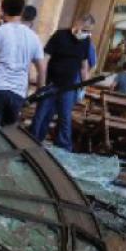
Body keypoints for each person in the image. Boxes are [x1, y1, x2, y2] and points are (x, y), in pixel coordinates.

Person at [0, 0, 46, 125]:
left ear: (3, 9)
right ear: (22, 10)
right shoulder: (33, 37)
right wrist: (38, 92)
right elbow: (42, 69)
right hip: (17, 94)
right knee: (6, 134)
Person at [30, 14, 95, 151]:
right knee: (42, 115)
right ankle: (33, 141)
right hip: (51, 83)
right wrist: (42, 81)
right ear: (77, 23)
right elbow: (45, 58)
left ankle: (63, 148)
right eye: (85, 29)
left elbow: (83, 67)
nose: (86, 33)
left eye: (89, 31)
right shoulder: (60, 35)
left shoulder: (86, 42)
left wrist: (84, 87)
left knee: (65, 118)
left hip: (69, 87)